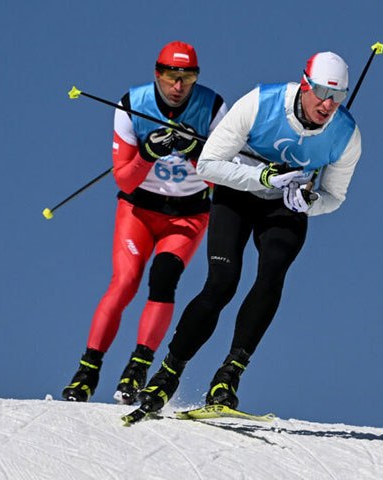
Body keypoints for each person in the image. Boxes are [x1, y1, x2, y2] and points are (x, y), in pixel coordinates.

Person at [136, 51, 362, 413]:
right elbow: (209, 163)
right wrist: (264, 176)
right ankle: (167, 373)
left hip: (285, 206)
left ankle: (228, 375)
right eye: (321, 91)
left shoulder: (346, 135)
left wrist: (309, 201)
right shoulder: (261, 102)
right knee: (222, 283)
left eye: (338, 96)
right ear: (304, 85)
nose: (327, 103)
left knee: (272, 273)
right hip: (237, 192)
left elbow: (334, 197)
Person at [62, 41, 229, 404]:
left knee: (164, 278)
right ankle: (88, 369)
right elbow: (124, 180)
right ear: (157, 74)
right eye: (171, 76)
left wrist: (196, 151)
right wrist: (147, 153)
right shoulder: (131, 105)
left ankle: (138, 367)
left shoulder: (214, 108)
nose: (178, 86)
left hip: (187, 212)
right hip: (139, 208)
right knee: (124, 283)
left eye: (188, 76)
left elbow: (224, 179)